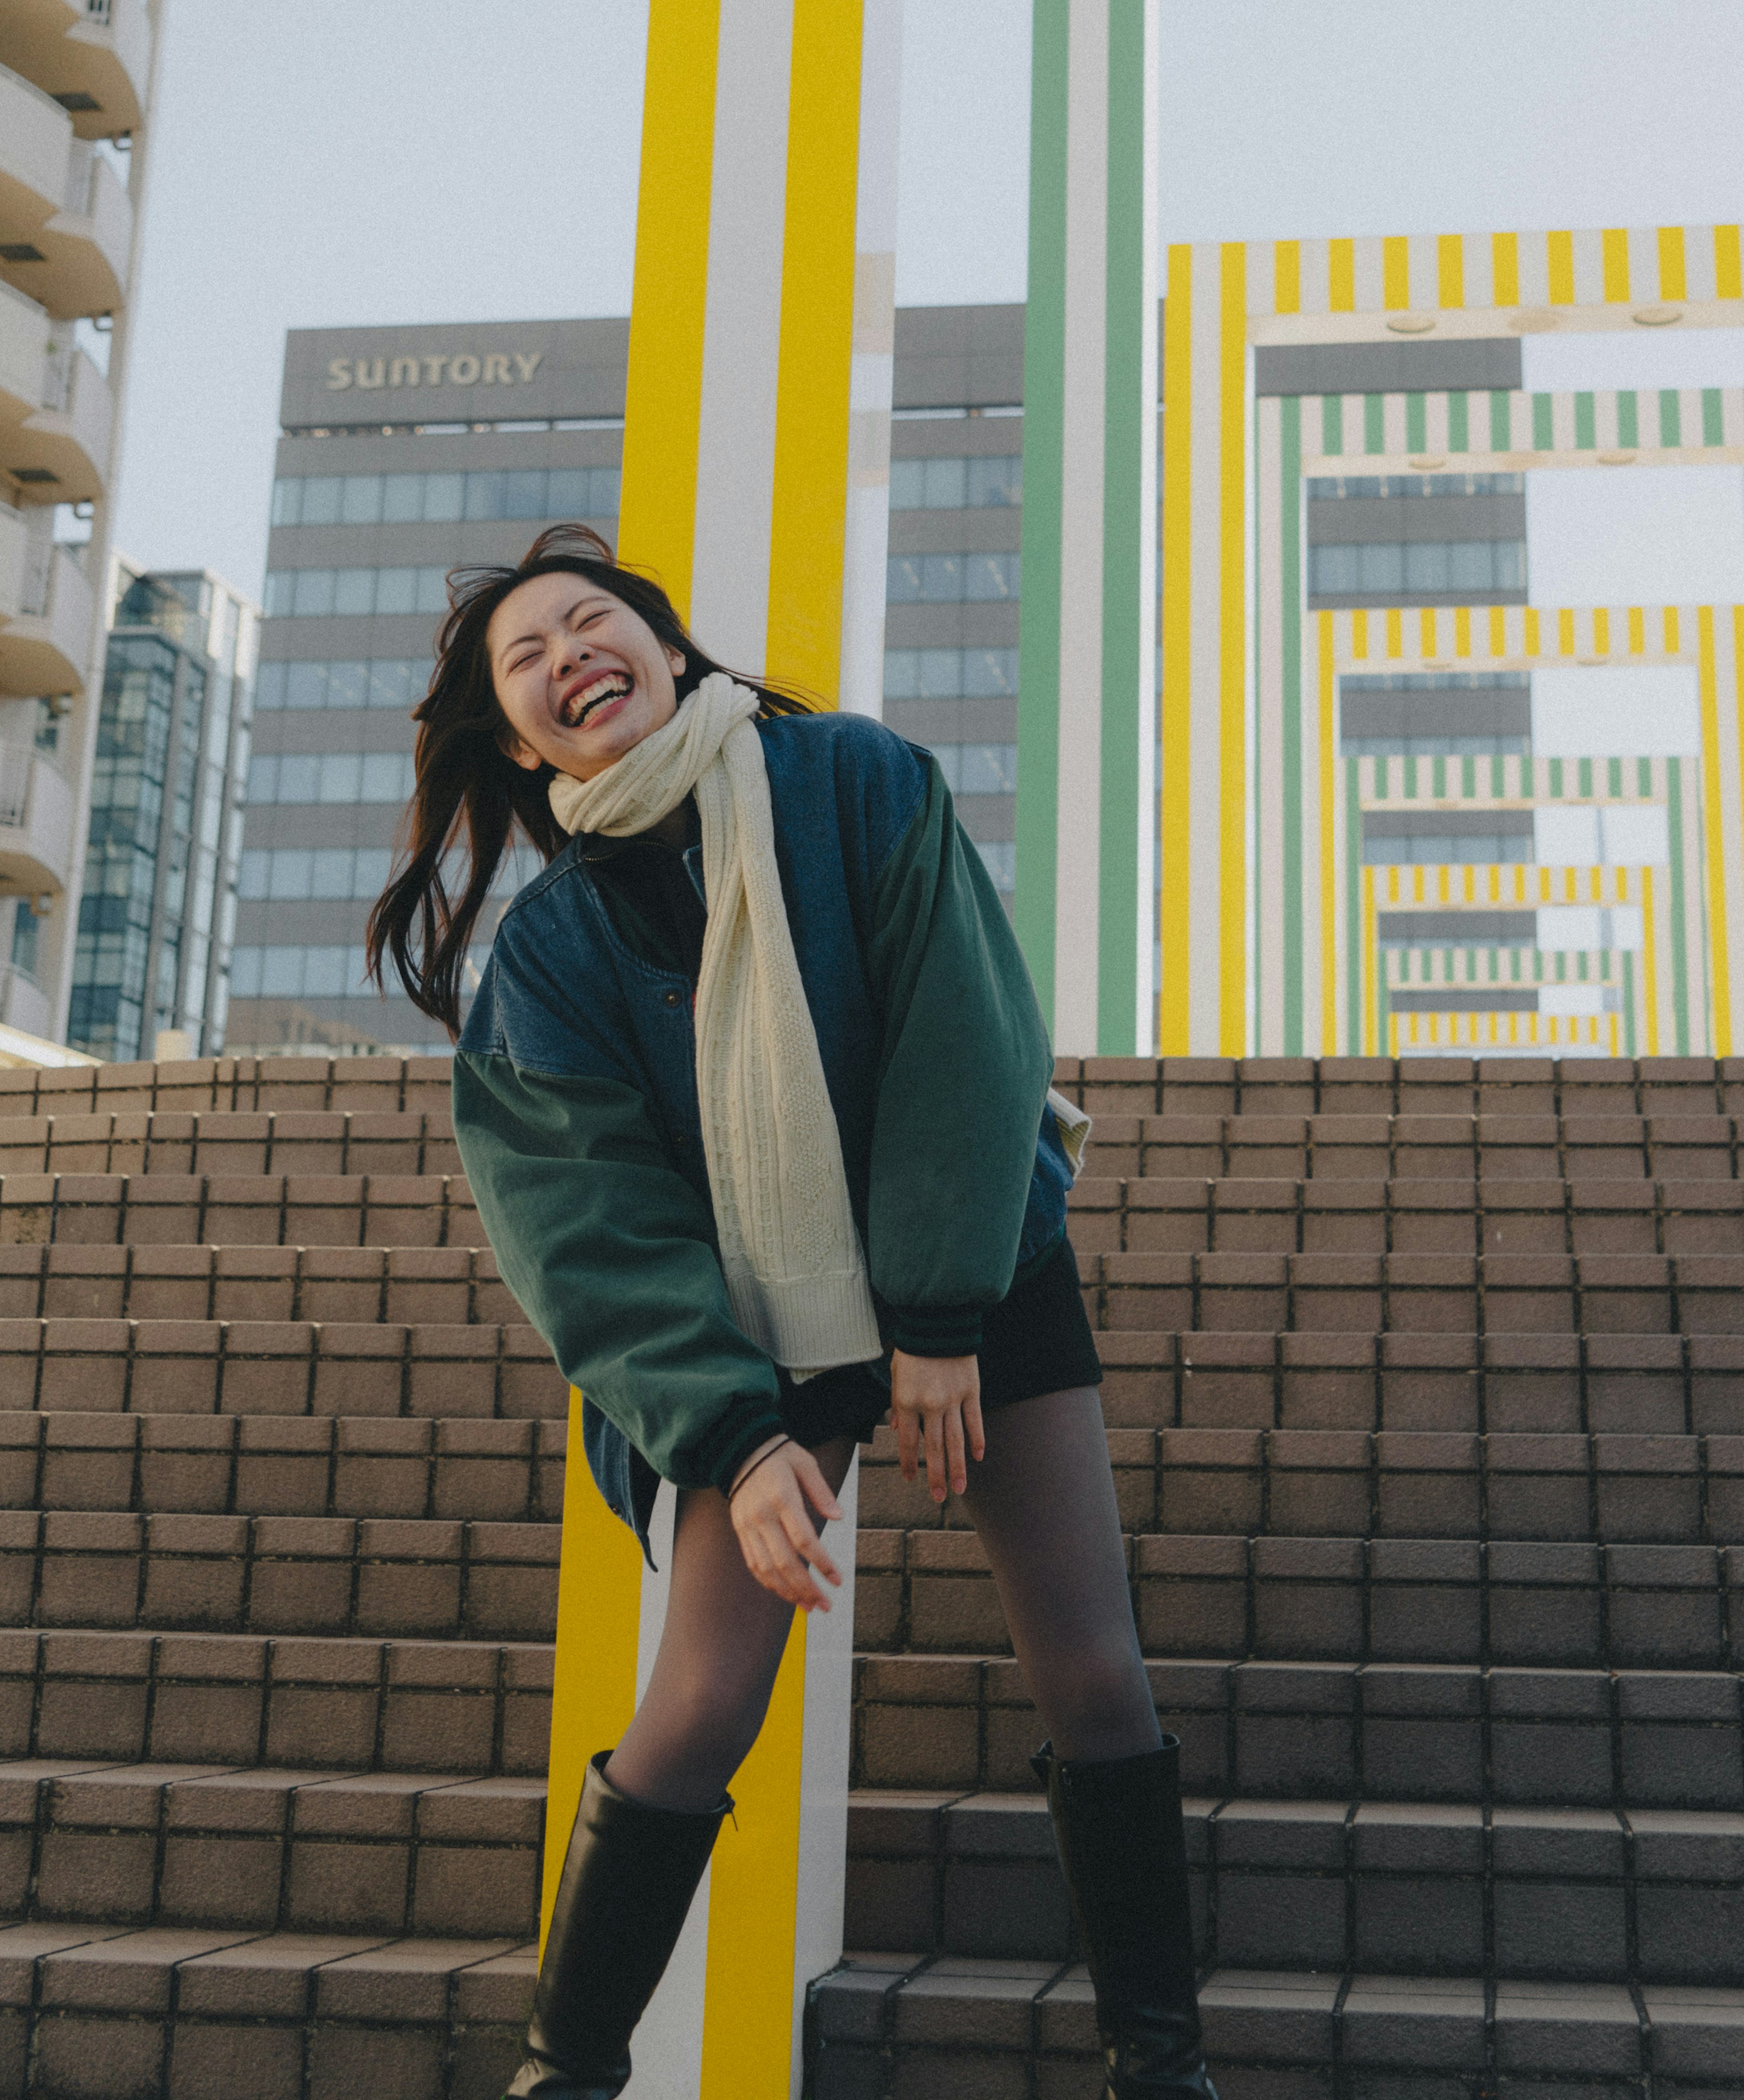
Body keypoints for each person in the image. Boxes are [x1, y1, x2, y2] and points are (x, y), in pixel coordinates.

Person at [367, 525, 1217, 2100]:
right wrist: (737, 1436)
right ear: (513, 734)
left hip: (969, 1264)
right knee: (695, 1706)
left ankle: (1161, 2070)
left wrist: (943, 1313)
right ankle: (564, 2080)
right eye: (529, 661)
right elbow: (586, 1231)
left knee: (1095, 1675)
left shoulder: (855, 782)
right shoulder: (550, 961)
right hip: (747, 1327)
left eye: (591, 621)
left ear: (668, 646)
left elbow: (970, 1034)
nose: (570, 658)